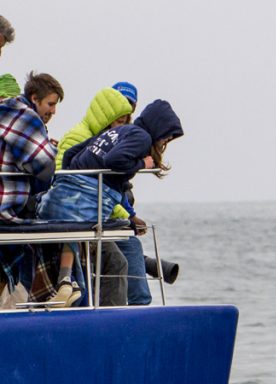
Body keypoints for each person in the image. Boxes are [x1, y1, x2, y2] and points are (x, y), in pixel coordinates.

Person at [37, 99, 183, 307]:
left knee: (74, 234)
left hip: (63, 196)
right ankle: (112, 313)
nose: (167, 140)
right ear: (159, 127)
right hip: (86, 202)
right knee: (114, 260)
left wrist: (68, 183)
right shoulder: (142, 137)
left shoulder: (118, 132)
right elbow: (113, 160)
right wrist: (143, 163)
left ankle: (67, 283)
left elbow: (70, 154)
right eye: (168, 135)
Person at [50, 85, 136, 306]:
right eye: (118, 122)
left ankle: (121, 310)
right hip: (77, 215)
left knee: (123, 255)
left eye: (125, 122)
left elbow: (108, 188)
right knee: (116, 262)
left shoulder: (101, 141)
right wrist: (122, 214)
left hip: (93, 215)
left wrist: (124, 213)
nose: (121, 127)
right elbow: (63, 179)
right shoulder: (77, 137)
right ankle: (110, 322)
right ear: (106, 118)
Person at [0, 72, 60, 305]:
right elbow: (44, 165)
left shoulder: (5, 110)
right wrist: (53, 150)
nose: (53, 111)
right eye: (51, 104)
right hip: (8, 209)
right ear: (34, 98)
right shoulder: (25, 117)